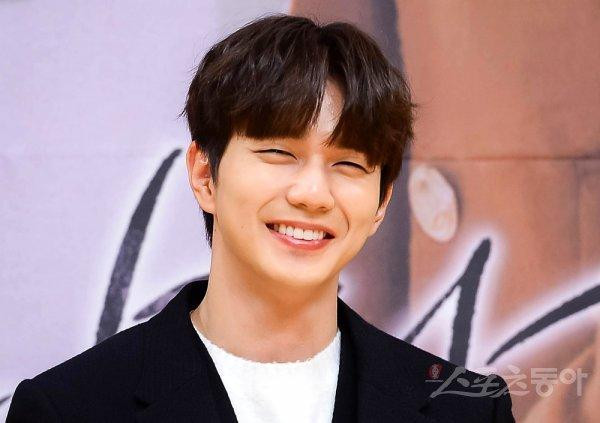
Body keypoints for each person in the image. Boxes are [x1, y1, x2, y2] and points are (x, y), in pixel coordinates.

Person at [7, 14, 515, 422]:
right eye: (278, 153)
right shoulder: (71, 407)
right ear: (205, 175)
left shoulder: (466, 408)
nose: (313, 194)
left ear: (382, 201)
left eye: (348, 164)